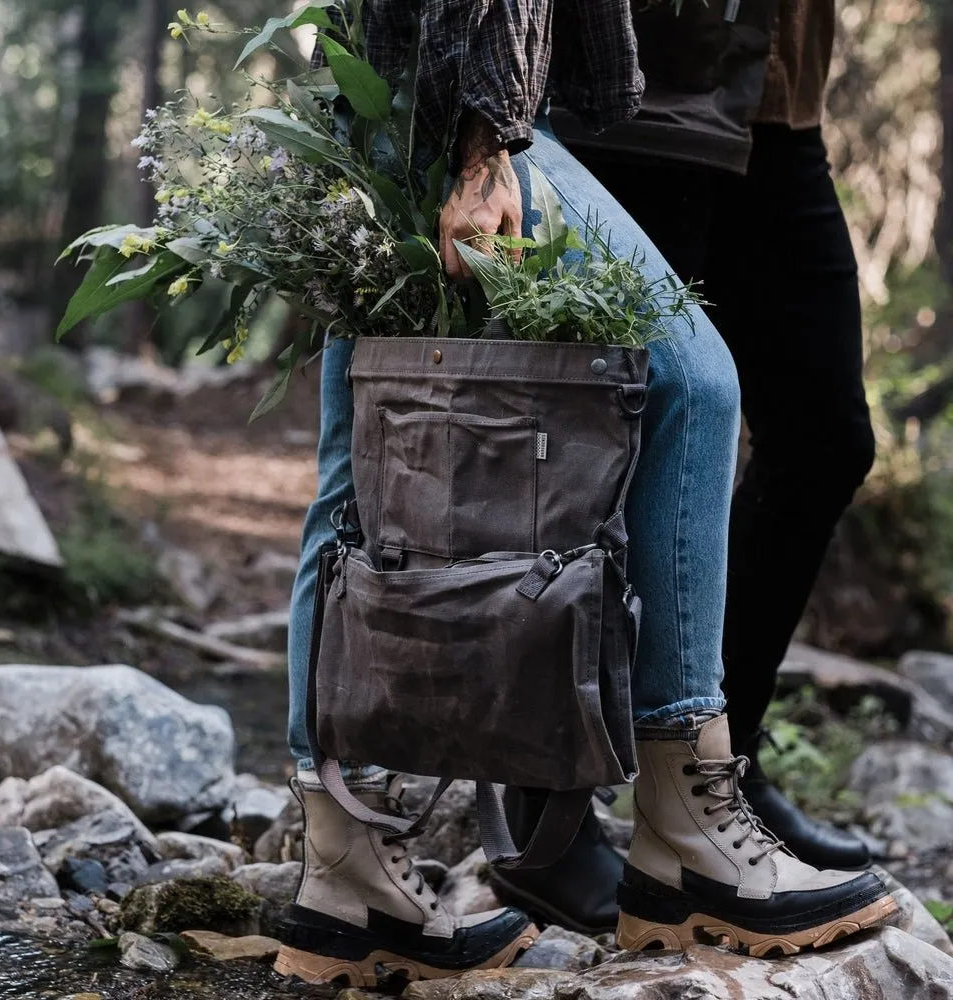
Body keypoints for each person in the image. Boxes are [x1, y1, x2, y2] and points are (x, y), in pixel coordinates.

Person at [275, 2, 895, 985]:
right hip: (465, 96)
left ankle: (345, 870)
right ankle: (684, 813)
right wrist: (485, 149)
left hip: (427, 86)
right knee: (690, 384)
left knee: (357, 454)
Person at [492, 0, 875, 933]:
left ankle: (713, 772)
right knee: (607, 447)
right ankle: (547, 813)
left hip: (780, 102)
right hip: (646, 90)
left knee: (825, 436)